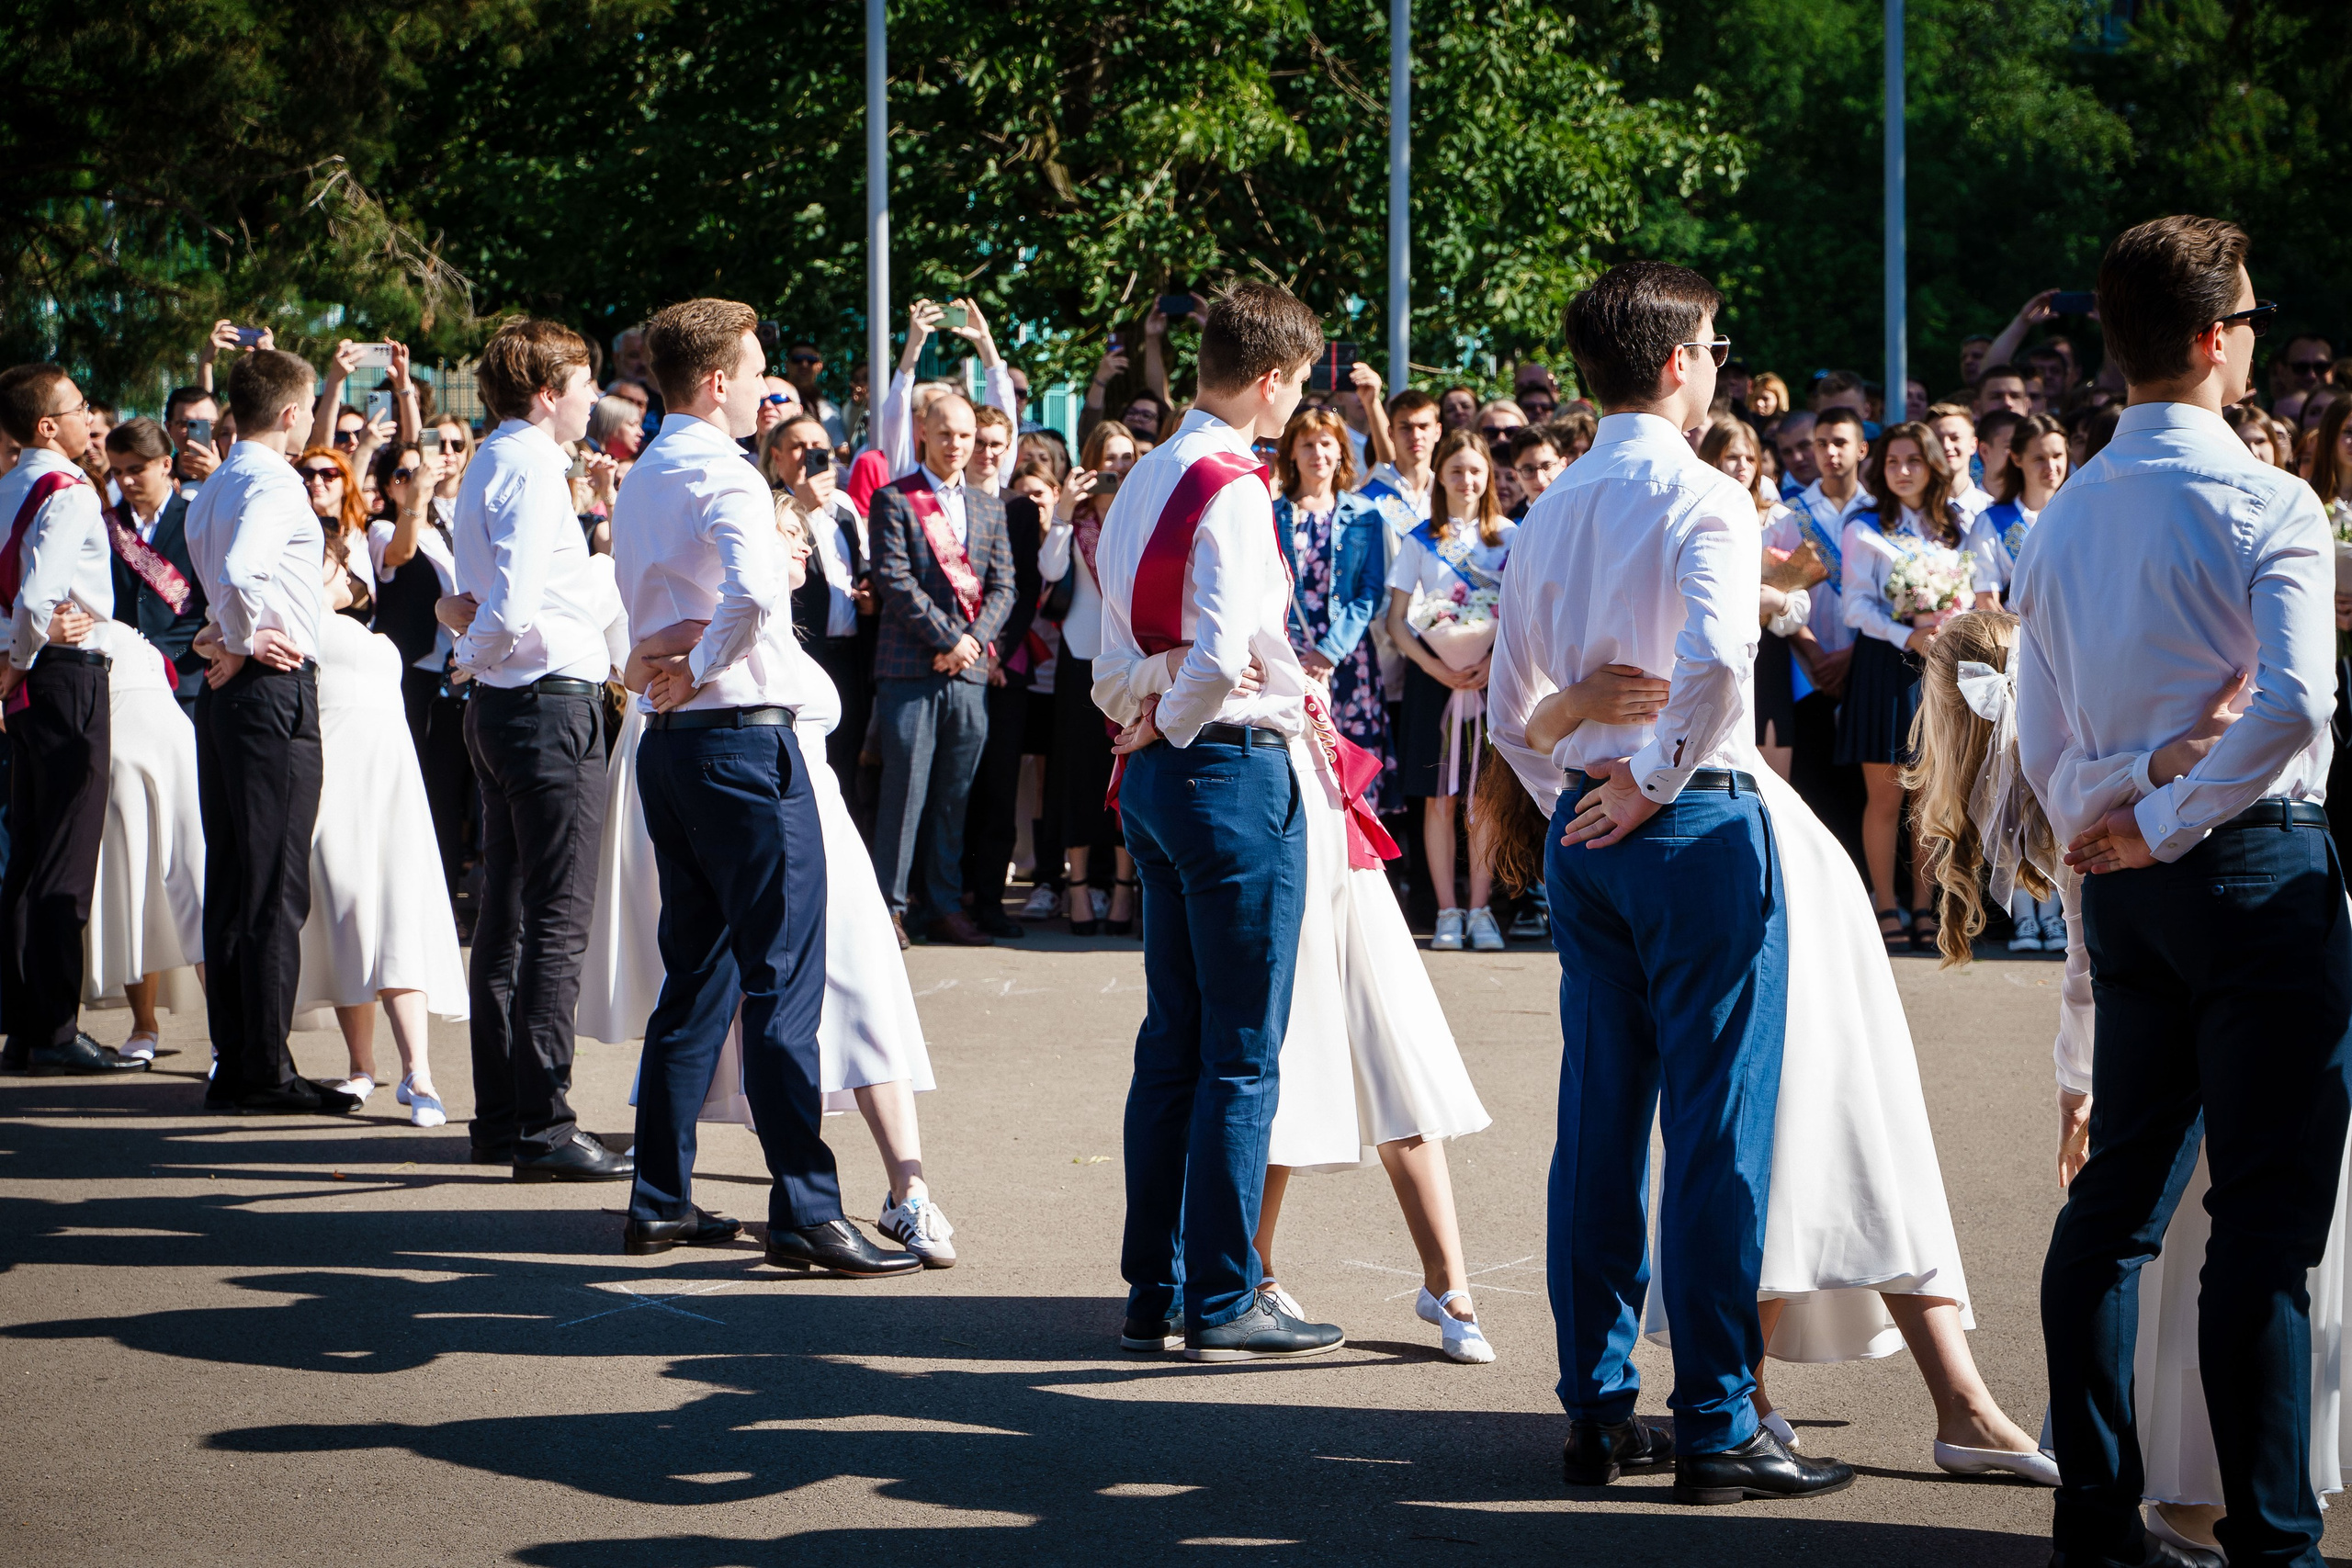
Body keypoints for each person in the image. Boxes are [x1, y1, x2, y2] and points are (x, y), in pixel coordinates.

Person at [1487, 259, 1850, 1505]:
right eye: (1712, 344)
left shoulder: (1546, 509)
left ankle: (1596, 1403)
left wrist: (1583, 802)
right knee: (1712, 1125)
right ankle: (1718, 1414)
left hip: (1597, 829)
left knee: (1598, 1118)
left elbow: (1507, 709)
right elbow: (1716, 664)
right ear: (1681, 362)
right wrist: (1644, 782)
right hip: (1691, 821)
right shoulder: (1703, 492)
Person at [2017, 214, 2348, 1568]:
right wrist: (2159, 812)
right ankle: (2273, 1537)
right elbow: (2298, 703)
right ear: (2217, 340)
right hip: (2251, 865)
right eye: (2254, 321)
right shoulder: (2266, 500)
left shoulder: (2066, 511)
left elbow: (2039, 741)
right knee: (2263, 1222)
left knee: (2118, 1207)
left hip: (2131, 881)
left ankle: (2094, 1514)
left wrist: (2122, 816)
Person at [1915, 608, 2352, 1559]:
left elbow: (2085, 953)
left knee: (2132, 1237)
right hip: (2244, 949)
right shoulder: (2156, 742)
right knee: (2251, 1243)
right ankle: (2231, 1506)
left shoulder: (2070, 765)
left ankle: (2130, 1505)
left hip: (2135, 1015)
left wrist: (2077, 1082)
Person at [614, 296, 913, 1277]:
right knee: (781, 983)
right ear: (714, 382)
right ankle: (805, 1210)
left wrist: (667, 667)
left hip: (676, 746)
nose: (762, 388)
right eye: (751, 372)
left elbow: (657, 608)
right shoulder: (723, 475)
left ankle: (660, 1198)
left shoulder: (646, 472)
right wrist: (697, 665)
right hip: (740, 741)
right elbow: (752, 595)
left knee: (695, 977)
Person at [1087, 278, 1344, 1362]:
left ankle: (1160, 1285)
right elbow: (1218, 652)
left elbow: (1110, 658)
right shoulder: (1234, 485)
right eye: (1299, 387)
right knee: (1240, 1053)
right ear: (1273, 379)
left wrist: (1143, 714)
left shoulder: (1148, 471)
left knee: (1175, 1045)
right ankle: (1224, 1295)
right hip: (1226, 771)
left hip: (1159, 775)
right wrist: (1177, 717)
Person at [598, 500, 952, 1265]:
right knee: (786, 999)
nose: (794, 546)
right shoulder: (728, 627)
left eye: (796, 537)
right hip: (779, 823)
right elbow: (631, 667)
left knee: (811, 1003)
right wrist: (679, 659)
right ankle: (808, 1209)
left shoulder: (771, 638)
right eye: (780, 534)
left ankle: (900, 1190)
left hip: (815, 827)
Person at [449, 318, 630, 1181]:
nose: (595, 398)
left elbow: (510, 594)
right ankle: (544, 1126)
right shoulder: (525, 463)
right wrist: (468, 654)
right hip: (542, 705)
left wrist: (475, 647)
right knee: (551, 919)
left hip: (516, 703)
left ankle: (508, 1117)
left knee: (511, 917)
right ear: (549, 391)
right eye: (586, 382)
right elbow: (513, 604)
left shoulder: (503, 459)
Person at [186, 348, 356, 1113]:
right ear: (292, 414)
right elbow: (247, 571)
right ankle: (263, 1068)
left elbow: (223, 578)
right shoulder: (276, 483)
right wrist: (247, 635)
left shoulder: (214, 484)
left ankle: (240, 1058)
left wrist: (222, 634)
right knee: (272, 887)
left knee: (234, 880)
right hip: (269, 691)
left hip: (230, 692)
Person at [0, 363, 144, 1076]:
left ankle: (26, 1026)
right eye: (80, 406)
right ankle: (54, 1028)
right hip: (63, 677)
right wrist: (19, 658)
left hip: (29, 681)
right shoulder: (71, 490)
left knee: (28, 852)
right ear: (47, 426)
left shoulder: (5, 488)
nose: (94, 416)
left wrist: (9, 658)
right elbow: (36, 601)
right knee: (64, 859)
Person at [296, 540, 466, 1126]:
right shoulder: (289, 617)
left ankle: (418, 1072)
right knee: (348, 914)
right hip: (331, 782)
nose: (340, 571)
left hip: (390, 783)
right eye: (330, 562)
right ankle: (362, 1065)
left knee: (398, 916)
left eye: (340, 563)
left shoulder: (370, 634)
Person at [868, 390, 1019, 947]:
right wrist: (948, 638)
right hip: (909, 668)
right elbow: (893, 578)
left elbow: (1005, 586)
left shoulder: (987, 506)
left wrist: (971, 644)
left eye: (968, 435)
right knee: (903, 791)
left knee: (955, 794)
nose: (959, 445)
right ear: (924, 434)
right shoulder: (894, 499)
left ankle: (944, 905)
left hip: (969, 673)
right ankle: (890, 906)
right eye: (948, 433)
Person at [1837, 421, 1976, 953]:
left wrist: (1946, 627)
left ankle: (1925, 903)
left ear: (1934, 464)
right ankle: (1883, 901)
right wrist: (1906, 634)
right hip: (1884, 665)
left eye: (1913, 461)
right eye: (1892, 462)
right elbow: (1856, 605)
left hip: (1939, 668)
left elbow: (1972, 591)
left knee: (1928, 795)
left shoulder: (1956, 524)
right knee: (1887, 795)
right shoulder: (1865, 525)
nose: (1902, 471)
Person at [1384, 426, 1517, 953]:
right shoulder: (1422, 536)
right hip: (1433, 679)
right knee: (1438, 800)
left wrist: (1489, 661)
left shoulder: (1511, 535)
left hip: (1492, 679)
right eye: (1456, 469)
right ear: (1440, 473)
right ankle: (1446, 911)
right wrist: (1438, 667)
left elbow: (1526, 616)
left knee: (1483, 799)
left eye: (1476, 470)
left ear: (1489, 477)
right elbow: (1397, 620)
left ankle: (1481, 909)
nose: (1466, 480)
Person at [77, 598, 206, 1063]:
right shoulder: (89, 624)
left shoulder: (91, 626)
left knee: (183, 880)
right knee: (137, 882)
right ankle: (146, 1025)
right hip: (127, 737)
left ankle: (224, 1035)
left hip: (156, 735)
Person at [1042, 422, 1142, 935]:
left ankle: (1124, 888)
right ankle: (1077, 888)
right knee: (1080, 776)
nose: (1119, 468)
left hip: (1131, 660)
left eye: (1128, 458)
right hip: (1081, 657)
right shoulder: (1075, 517)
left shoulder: (1143, 510)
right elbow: (1049, 571)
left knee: (1126, 772)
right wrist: (1062, 513)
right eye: (1110, 459)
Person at [1271, 407, 1395, 810]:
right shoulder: (1271, 514)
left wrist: (1329, 650)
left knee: (1353, 764)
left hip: (1347, 659)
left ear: (1342, 451)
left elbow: (1370, 592)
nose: (1317, 452)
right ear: (1291, 453)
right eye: (1307, 444)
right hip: (1289, 659)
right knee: (1300, 760)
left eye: (1327, 443)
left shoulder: (1365, 515)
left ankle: (1360, 866)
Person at [368, 440, 476, 902]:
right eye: (402, 476)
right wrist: (416, 499)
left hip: (455, 680)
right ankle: (413, 902)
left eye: (420, 472)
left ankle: (447, 901)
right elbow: (402, 553)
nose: (415, 482)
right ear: (388, 487)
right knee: (418, 794)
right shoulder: (380, 530)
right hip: (410, 680)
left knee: (450, 797)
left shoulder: (447, 531)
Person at [1700, 416, 1820, 783]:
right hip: (1710, 649)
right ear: (1711, 459)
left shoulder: (1780, 518)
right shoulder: (1697, 512)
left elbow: (1800, 598)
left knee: (1771, 778)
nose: (1741, 467)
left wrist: (1777, 602)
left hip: (1768, 654)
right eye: (1731, 457)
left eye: (1750, 458)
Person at [772, 414, 876, 788]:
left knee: (846, 757)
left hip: (848, 653)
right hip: (801, 649)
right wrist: (803, 502)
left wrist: (867, 597)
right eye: (798, 447)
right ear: (777, 456)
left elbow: (862, 566)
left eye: (819, 448)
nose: (809, 455)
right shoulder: (772, 507)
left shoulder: (844, 509)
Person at [102, 417, 208, 713]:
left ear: (165, 464)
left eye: (137, 469)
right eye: (118, 471)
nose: (126, 481)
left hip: (184, 679)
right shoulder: (104, 526)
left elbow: (206, 604)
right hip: (120, 679)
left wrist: (154, 655)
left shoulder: (196, 519)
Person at [1967, 412, 2069, 612]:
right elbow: (1986, 599)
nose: (2051, 466)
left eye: (2057, 456)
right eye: (2039, 458)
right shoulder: (1990, 522)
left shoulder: (2080, 516)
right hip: (2018, 637)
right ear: (2016, 458)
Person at [782, 340, 848, 447]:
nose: (804, 364)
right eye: (797, 359)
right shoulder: (772, 406)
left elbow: (841, 453)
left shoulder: (830, 413)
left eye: (811, 360)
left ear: (819, 366)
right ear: (786, 365)